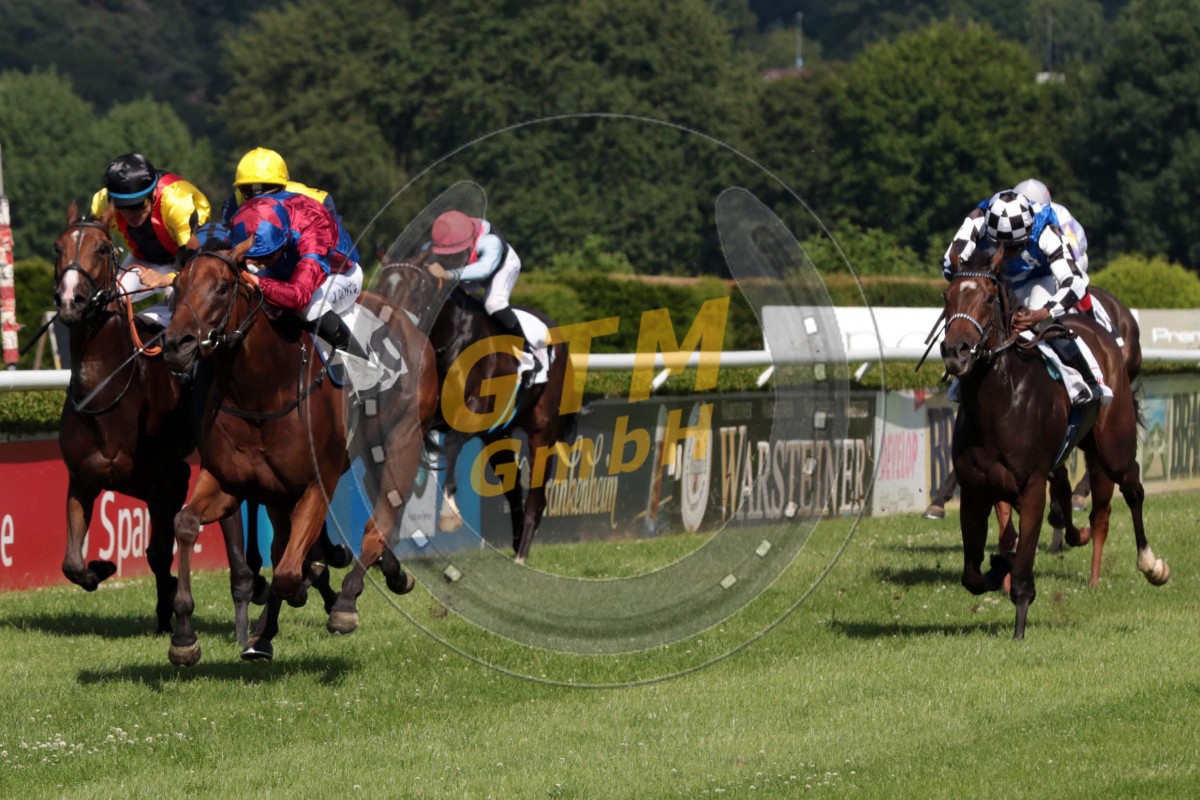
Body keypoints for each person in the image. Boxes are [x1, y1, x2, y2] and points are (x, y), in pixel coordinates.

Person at [942, 189, 1111, 407]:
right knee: (978, 314)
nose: (1007, 254)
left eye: (1014, 247)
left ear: (1029, 231)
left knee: (1041, 324)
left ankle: (1083, 379)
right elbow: (949, 266)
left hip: (1039, 278)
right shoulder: (977, 220)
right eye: (1000, 245)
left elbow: (1075, 282)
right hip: (995, 279)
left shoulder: (1044, 228)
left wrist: (1044, 312)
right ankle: (964, 377)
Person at [229, 192, 380, 388]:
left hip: (340, 274)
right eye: (258, 257)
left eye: (267, 256)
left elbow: (299, 297)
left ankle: (363, 366)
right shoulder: (251, 217)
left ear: (284, 238)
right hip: (291, 267)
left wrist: (258, 282)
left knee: (309, 308)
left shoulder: (313, 233)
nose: (262, 262)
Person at [89, 153, 211, 326]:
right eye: (123, 207)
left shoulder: (177, 203)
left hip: (184, 262)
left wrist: (167, 279)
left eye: (138, 205)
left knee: (177, 298)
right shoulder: (103, 203)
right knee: (108, 299)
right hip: (143, 259)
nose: (130, 214)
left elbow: (197, 264)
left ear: (153, 193)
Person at [424, 210, 540, 386]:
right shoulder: (440, 240)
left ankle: (528, 354)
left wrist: (448, 274)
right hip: (467, 271)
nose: (451, 256)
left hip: (500, 268)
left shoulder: (490, 242)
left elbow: (484, 271)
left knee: (493, 303)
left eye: (455, 251)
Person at [221, 147, 339, 224]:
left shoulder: (317, 201)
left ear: (284, 184)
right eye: (248, 189)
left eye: (267, 188)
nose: (259, 197)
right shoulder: (235, 201)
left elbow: (335, 242)